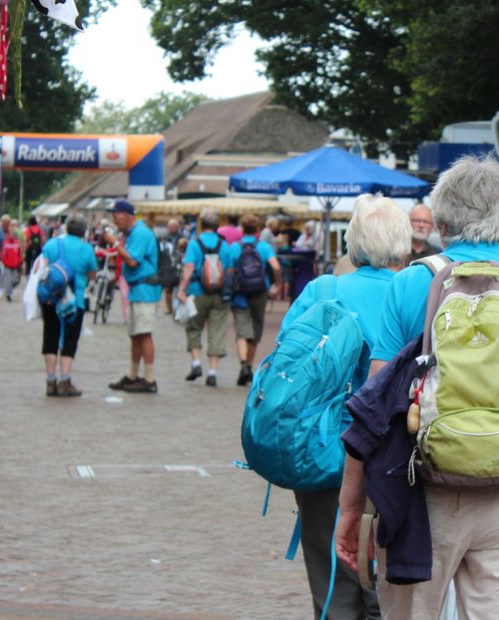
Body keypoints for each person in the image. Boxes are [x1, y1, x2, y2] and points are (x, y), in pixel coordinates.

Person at [334, 156, 499, 618]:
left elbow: (374, 409)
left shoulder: (412, 283)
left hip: (422, 500)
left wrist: (353, 508)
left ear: (440, 220)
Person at [277, 193, 410, 620]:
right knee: (390, 587)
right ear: (404, 244)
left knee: (332, 582)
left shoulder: (322, 290)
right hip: (396, 455)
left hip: (326, 452)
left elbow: (285, 365)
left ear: (352, 242)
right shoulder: (419, 294)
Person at [104, 200, 162, 394]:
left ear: (127, 215)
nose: (115, 220)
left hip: (145, 289)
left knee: (144, 333)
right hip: (138, 289)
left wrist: (114, 244)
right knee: (136, 334)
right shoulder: (133, 233)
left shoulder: (140, 233)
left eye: (116, 215)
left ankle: (149, 378)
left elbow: (132, 260)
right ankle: (133, 375)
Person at [39, 216, 98, 397]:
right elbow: (93, 274)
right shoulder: (87, 249)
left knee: (50, 337)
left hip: (51, 299)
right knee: (70, 340)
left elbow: (41, 269)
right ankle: (64, 380)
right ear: (83, 231)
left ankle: (50, 381)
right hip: (74, 301)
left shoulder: (51, 244)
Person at [176, 210, 234, 387]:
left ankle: (196, 363)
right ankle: (213, 372)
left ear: (201, 224)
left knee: (194, 327)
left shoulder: (194, 244)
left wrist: (181, 289)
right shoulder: (224, 245)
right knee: (217, 330)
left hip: (197, 291)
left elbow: (188, 268)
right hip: (219, 294)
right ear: (217, 226)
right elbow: (230, 270)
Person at [228, 213, 282, 386]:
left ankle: (243, 364)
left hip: (240, 291)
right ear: (258, 229)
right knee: (256, 329)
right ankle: (249, 366)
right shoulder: (264, 247)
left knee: (242, 330)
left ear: (242, 229)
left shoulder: (234, 247)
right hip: (260, 290)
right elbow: (276, 266)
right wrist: (277, 285)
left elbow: (229, 271)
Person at [161, 218, 185, 315]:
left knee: (178, 287)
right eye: (170, 226)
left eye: (174, 226)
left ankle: (177, 308)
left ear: (178, 227)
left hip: (179, 264)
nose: (172, 228)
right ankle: (169, 308)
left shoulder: (182, 237)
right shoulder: (164, 237)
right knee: (168, 289)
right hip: (168, 264)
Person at [0, 216, 23, 302]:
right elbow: (3, 254)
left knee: (16, 280)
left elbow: (19, 253)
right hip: (7, 265)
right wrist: (5, 262)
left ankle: (8, 289)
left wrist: (20, 261)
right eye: (10, 234)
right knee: (8, 279)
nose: (11, 235)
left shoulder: (17, 243)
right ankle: (8, 294)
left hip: (16, 264)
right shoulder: (5, 243)